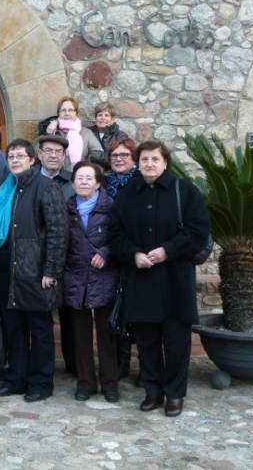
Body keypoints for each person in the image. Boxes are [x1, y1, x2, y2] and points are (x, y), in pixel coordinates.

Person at [109, 140, 211, 417]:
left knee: (177, 341)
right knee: (147, 342)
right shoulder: (127, 196)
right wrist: (133, 254)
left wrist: (169, 250)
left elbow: (199, 231)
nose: (149, 164)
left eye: (155, 159)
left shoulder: (185, 191)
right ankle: (153, 391)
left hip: (175, 278)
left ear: (165, 162)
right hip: (140, 279)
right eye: (144, 160)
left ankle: (175, 394)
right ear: (137, 163)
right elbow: (115, 235)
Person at [0, 139, 68, 403]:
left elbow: (58, 232)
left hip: (35, 272)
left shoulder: (46, 187)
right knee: (15, 329)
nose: (15, 160)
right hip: (7, 270)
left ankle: (41, 383)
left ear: (34, 160)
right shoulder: (8, 189)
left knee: (40, 330)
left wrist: (51, 271)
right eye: (11, 156)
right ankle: (16, 379)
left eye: (21, 156)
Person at [62, 161, 119, 402]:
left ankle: (110, 384)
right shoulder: (65, 210)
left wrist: (106, 252)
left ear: (97, 183)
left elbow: (121, 238)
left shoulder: (111, 208)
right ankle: (85, 382)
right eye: (79, 178)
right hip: (75, 277)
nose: (83, 182)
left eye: (88, 178)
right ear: (73, 183)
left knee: (106, 334)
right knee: (80, 334)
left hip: (103, 277)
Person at [102, 136, 141, 381]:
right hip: (111, 251)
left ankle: (146, 367)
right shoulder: (104, 183)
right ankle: (121, 363)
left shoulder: (140, 182)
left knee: (140, 311)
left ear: (133, 158)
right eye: (114, 155)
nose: (118, 159)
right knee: (117, 308)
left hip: (135, 253)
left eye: (123, 155)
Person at [37, 134, 76, 376]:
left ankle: (73, 365)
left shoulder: (73, 183)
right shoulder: (28, 182)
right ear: (39, 154)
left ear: (64, 157)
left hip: (70, 259)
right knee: (40, 317)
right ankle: (43, 367)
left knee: (70, 316)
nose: (53, 155)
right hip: (38, 260)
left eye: (58, 152)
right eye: (48, 150)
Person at [43, 96, 104, 170]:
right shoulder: (53, 131)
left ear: (76, 113)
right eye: (63, 110)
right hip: (54, 178)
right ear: (58, 114)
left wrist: (91, 175)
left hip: (80, 179)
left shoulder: (87, 133)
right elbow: (38, 155)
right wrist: (47, 134)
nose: (67, 113)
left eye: (71, 110)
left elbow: (100, 158)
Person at [88, 103, 128, 169]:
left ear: (112, 119)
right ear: (95, 118)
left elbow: (119, 159)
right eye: (100, 115)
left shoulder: (121, 136)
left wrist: (95, 155)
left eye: (106, 115)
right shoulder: (88, 133)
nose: (103, 118)